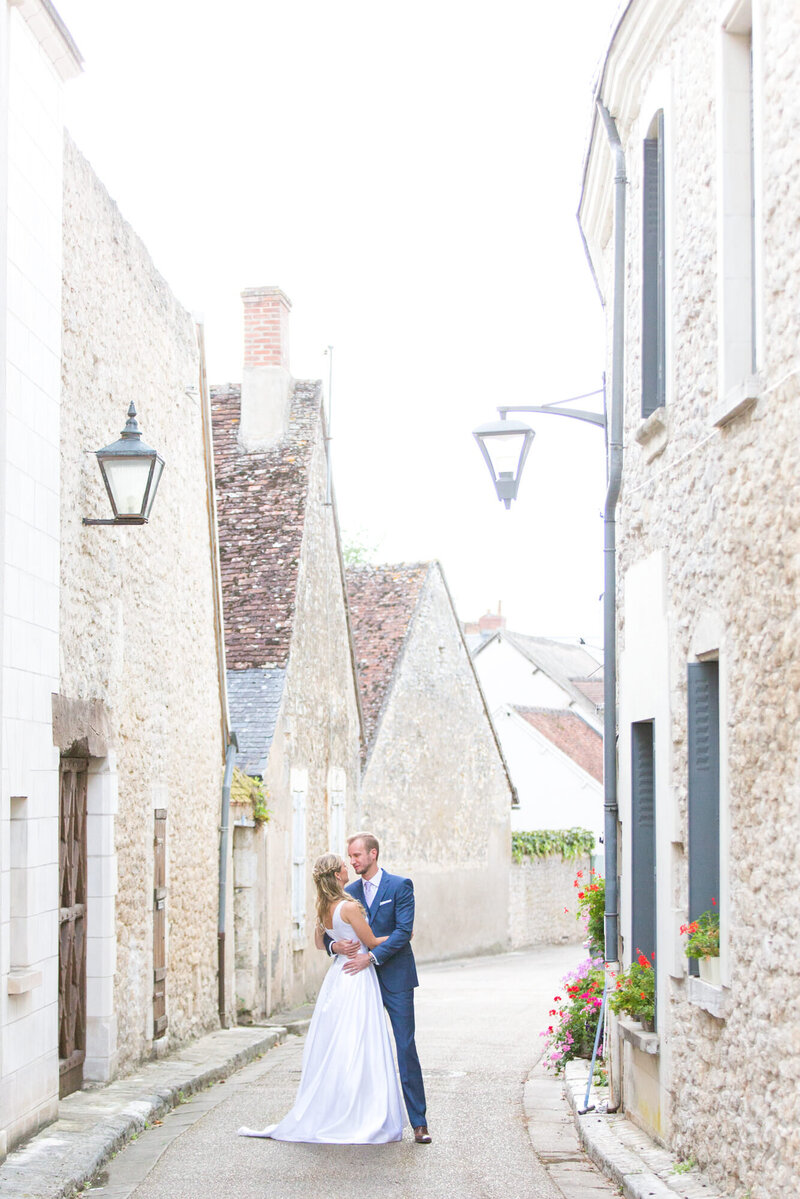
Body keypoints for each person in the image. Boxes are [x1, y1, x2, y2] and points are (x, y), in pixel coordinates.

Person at [238, 853, 404, 1144]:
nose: (347, 865)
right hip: (357, 976)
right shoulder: (350, 907)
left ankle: (335, 1106)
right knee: (359, 1041)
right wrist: (404, 934)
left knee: (338, 1041)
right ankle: (355, 1112)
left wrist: (336, 946)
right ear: (338, 874)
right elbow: (371, 942)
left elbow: (318, 942)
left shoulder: (323, 907)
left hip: (337, 976)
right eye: (343, 863)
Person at [326, 832, 431, 1144]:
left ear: (373, 854)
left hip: (395, 978)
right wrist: (335, 947)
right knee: (361, 1050)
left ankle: (419, 1123)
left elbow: (403, 932)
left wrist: (370, 956)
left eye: (357, 855)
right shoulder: (348, 891)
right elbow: (326, 932)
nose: (353, 861)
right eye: (351, 856)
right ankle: (364, 1119)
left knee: (404, 1047)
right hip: (359, 984)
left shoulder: (400, 886)